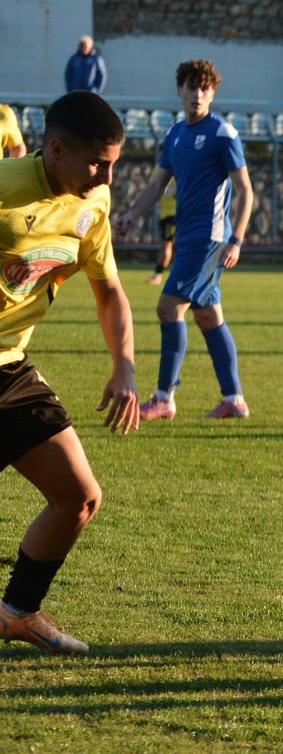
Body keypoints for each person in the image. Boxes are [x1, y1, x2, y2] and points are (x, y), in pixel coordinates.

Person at [0, 91, 139, 654]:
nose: (107, 177)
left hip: (10, 369)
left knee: (79, 498)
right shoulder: (5, 190)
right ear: (57, 150)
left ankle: (17, 613)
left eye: (113, 164)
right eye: (97, 164)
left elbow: (110, 292)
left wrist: (124, 367)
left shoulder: (93, 205)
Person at [114, 59, 253, 420]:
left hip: (209, 239)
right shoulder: (175, 134)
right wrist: (132, 214)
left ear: (213, 93)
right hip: (187, 237)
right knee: (207, 316)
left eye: (205, 89)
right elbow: (158, 185)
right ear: (180, 90)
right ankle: (234, 400)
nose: (198, 95)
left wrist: (236, 240)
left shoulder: (223, 134)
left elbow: (245, 190)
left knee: (168, 307)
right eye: (192, 87)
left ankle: (164, 398)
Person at [146, 166, 176, 286]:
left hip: (174, 213)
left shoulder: (180, 166)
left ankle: (158, 274)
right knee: (166, 244)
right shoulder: (158, 169)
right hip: (164, 214)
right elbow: (154, 188)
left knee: (167, 244)